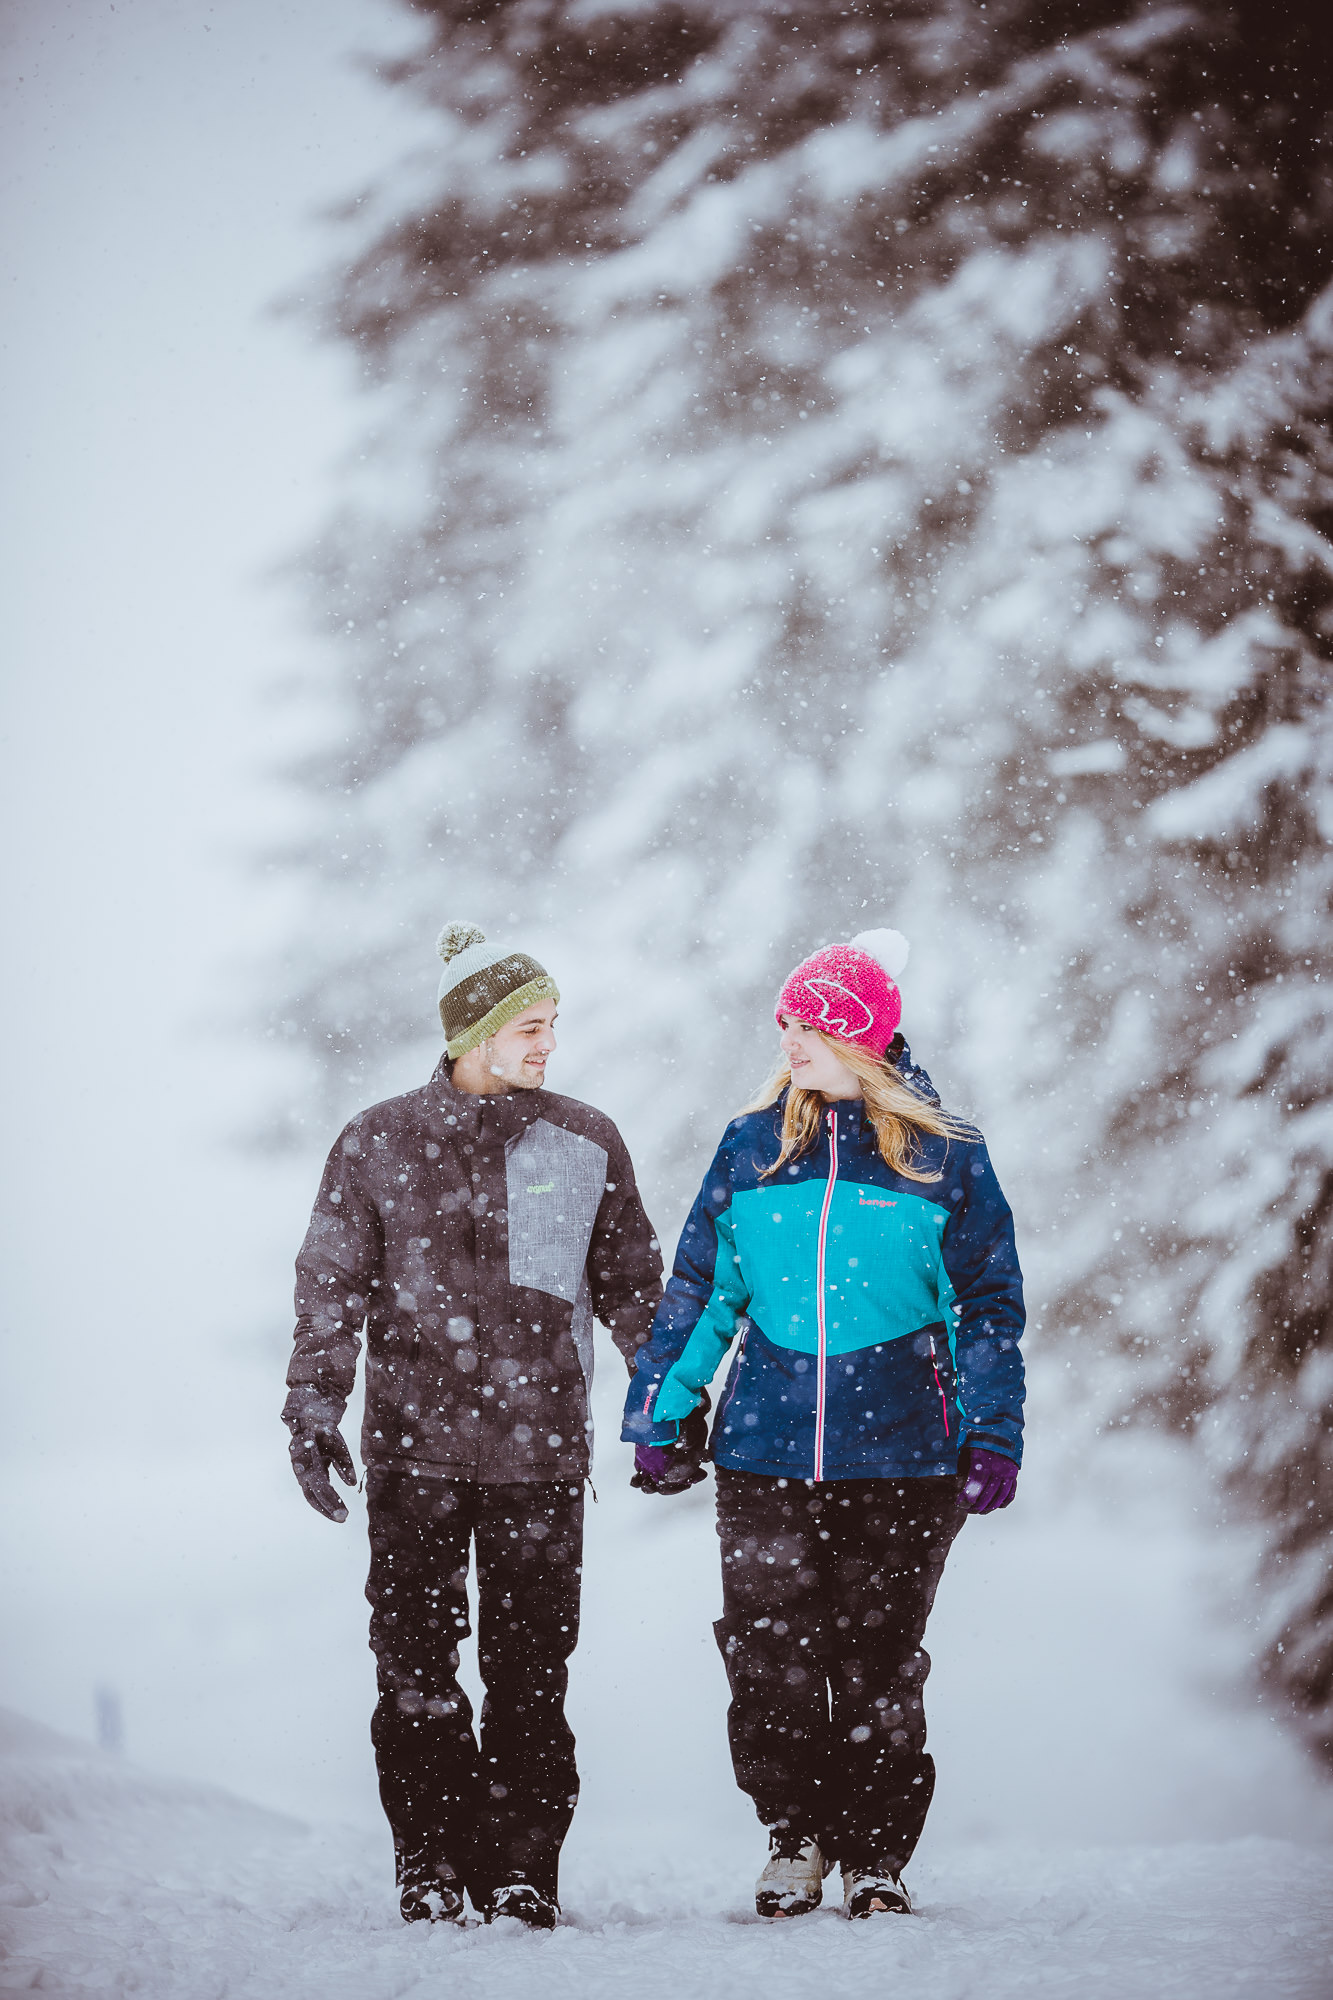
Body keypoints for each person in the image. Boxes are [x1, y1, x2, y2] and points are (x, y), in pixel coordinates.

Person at [624, 928, 1024, 1921]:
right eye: (786, 1024)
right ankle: (793, 1833)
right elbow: (703, 1290)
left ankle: (875, 1854)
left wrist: (992, 1430)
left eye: (808, 1025)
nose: (789, 1041)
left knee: (878, 1658)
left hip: (906, 1452)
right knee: (770, 1655)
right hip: (763, 1449)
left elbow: (987, 1306)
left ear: (861, 1037)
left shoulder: (944, 1156)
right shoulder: (754, 1145)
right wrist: (659, 1412)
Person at [284, 922, 662, 1929]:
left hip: (541, 1457)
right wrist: (313, 1406)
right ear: (474, 1032)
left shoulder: (585, 1139)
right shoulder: (376, 1142)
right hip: (414, 1455)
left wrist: (666, 1401)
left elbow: (633, 1285)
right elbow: (329, 1285)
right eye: (531, 1027)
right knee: (415, 1670)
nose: (549, 1044)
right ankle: (430, 1858)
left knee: (531, 1677)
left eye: (553, 1024)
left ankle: (521, 1868)